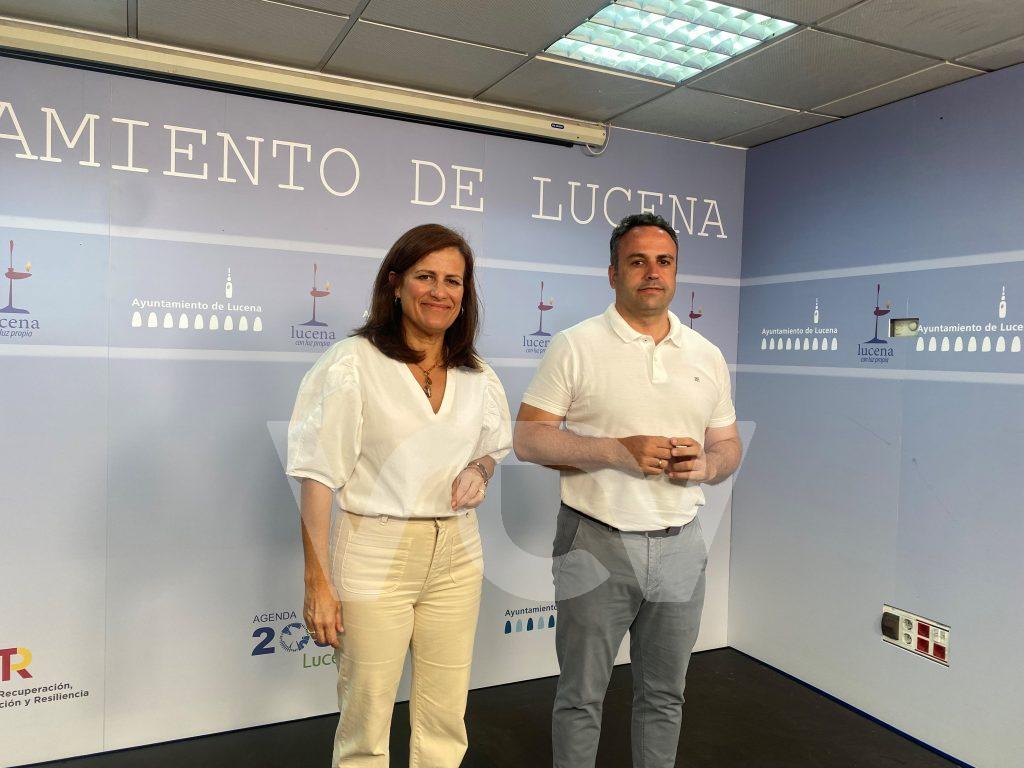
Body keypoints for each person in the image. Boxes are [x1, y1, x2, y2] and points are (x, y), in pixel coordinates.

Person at [513, 213, 742, 768]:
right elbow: (527, 439)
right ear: (613, 273)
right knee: (581, 696)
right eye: (637, 262)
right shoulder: (575, 345)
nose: (652, 273)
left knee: (665, 695)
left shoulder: (706, 354)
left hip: (681, 544)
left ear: (676, 273)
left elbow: (728, 445)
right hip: (594, 541)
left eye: (664, 262)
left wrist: (707, 466)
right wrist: (620, 451)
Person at [286, 223, 511, 767]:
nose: (440, 292)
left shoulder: (476, 373)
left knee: (445, 718)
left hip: (457, 552)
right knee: (366, 721)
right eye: (425, 277)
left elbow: (491, 448)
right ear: (395, 283)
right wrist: (318, 582)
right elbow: (317, 476)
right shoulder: (353, 362)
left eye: (453, 281)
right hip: (374, 550)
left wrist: (479, 470)